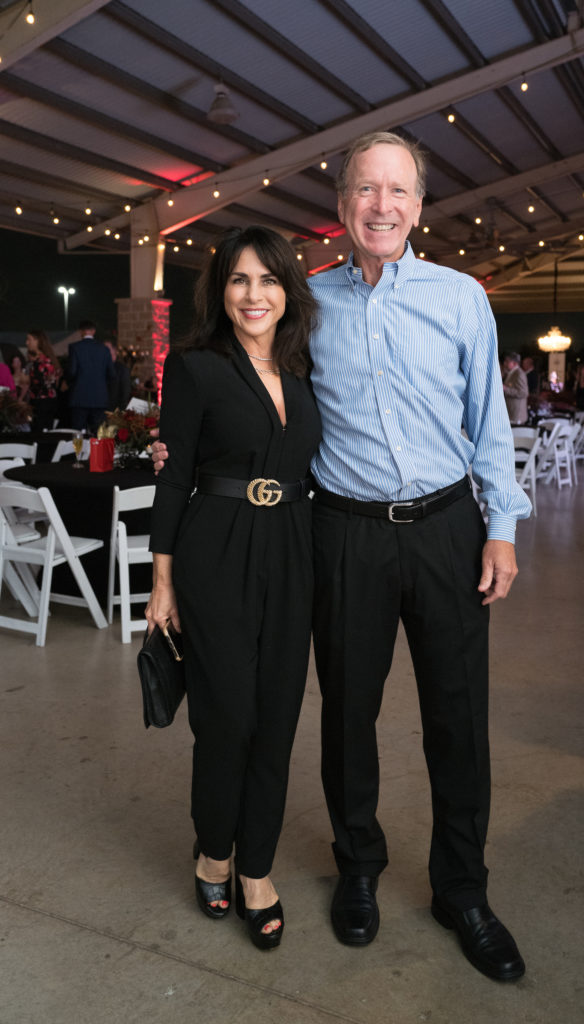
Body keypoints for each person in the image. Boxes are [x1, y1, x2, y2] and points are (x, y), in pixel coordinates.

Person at [153, 132, 531, 982]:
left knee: (457, 720)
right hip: (343, 533)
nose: (383, 206)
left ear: (420, 204)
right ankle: (357, 866)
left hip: (446, 529)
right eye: (366, 189)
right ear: (343, 206)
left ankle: (461, 890)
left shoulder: (462, 297)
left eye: (398, 190)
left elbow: (489, 423)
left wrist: (502, 524)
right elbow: (246, 381)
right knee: (347, 716)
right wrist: (184, 460)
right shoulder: (309, 304)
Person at [145, 227, 321, 951]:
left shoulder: (305, 366)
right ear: (220, 290)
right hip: (214, 548)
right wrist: (162, 581)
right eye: (239, 280)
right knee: (227, 717)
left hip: (293, 550)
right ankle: (214, 849)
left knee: (277, 716)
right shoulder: (194, 365)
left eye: (268, 280)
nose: (254, 295)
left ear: (288, 291)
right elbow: (174, 471)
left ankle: (256, 867)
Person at [66, 319, 113, 432]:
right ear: (93, 331)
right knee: (99, 433)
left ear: (81, 331)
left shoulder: (75, 347)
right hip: (99, 398)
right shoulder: (104, 349)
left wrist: (68, 382)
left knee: (78, 433)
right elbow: (111, 373)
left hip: (79, 397)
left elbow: (72, 372)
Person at [25, 330, 61, 431]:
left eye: (29, 339)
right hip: (45, 402)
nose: (27, 342)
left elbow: (40, 384)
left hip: (42, 404)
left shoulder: (43, 361)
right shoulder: (47, 359)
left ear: (37, 341)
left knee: (40, 434)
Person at [104, 337, 132, 411]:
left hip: (114, 410)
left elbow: (125, 392)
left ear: (114, 350)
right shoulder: (100, 367)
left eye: (107, 348)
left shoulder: (122, 369)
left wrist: (120, 410)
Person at [501, 351, 529, 425]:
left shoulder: (519, 374)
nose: (505, 363)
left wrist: (505, 389)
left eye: (507, 361)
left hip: (516, 415)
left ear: (515, 363)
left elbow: (524, 393)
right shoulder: (512, 373)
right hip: (511, 413)